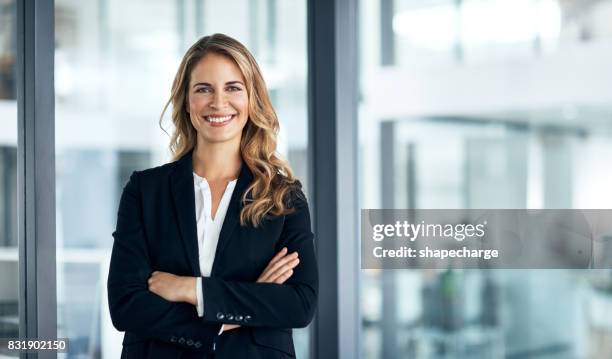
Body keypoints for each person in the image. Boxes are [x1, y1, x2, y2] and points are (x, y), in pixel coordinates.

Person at [107, 33, 318, 359]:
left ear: (252, 99)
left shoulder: (282, 198)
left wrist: (190, 289)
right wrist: (246, 303)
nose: (218, 102)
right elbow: (126, 305)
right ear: (187, 101)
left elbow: (299, 304)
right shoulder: (145, 191)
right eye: (203, 89)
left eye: (233, 88)